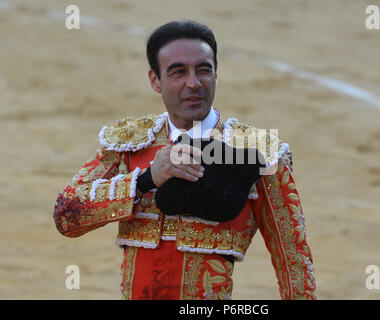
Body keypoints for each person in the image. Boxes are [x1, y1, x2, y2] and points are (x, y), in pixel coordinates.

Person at [53, 20, 316, 300]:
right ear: (155, 80)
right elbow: (67, 215)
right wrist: (147, 179)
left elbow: (292, 257)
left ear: (216, 74)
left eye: (204, 70)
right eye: (178, 72)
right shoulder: (129, 143)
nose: (194, 83)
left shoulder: (256, 150)